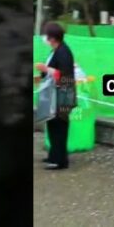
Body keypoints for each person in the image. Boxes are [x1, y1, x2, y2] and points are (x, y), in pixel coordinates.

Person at [35, 22, 75, 170]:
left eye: (46, 35)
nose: (44, 38)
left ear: (52, 38)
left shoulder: (63, 52)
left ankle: (60, 161)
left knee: (59, 128)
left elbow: (64, 75)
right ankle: (54, 156)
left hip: (62, 96)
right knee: (52, 125)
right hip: (53, 96)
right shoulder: (56, 50)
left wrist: (45, 69)